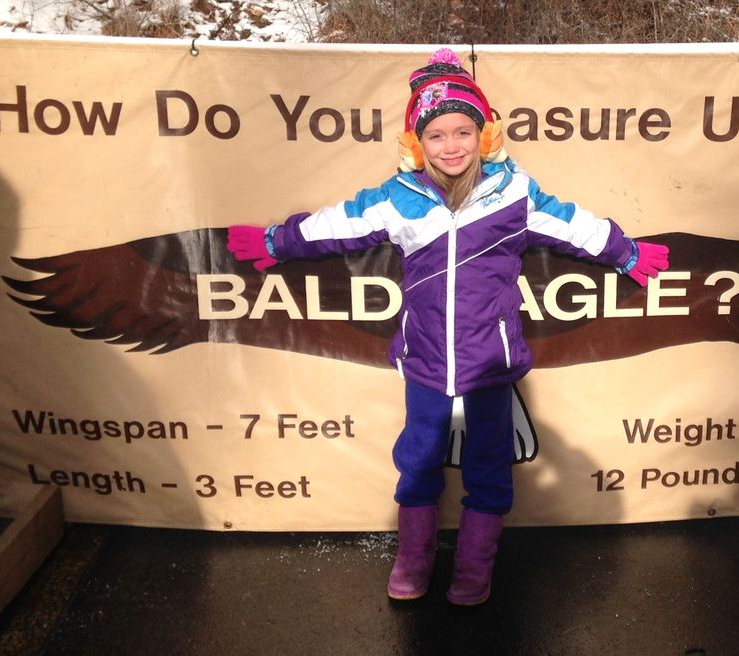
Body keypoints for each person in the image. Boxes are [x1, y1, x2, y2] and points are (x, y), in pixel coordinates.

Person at [227, 48, 669, 605]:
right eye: (436, 135)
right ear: (417, 143)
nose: (451, 145)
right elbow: (335, 224)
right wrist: (277, 241)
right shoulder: (398, 198)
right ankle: (413, 560)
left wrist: (624, 251)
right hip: (427, 361)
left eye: (463, 131)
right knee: (417, 464)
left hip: (491, 361)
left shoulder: (514, 193)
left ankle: (474, 567)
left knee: (488, 468)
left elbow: (571, 224)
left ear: (484, 136)